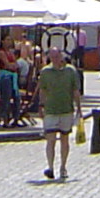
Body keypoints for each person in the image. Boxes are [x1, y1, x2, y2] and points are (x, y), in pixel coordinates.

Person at [35, 46, 81, 181]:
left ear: (61, 56)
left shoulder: (70, 71)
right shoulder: (45, 72)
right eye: (52, 57)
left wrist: (79, 107)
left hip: (66, 109)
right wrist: (41, 106)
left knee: (64, 139)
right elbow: (43, 90)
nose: (55, 59)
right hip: (50, 110)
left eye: (56, 56)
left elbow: (75, 90)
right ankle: (50, 166)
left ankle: (63, 166)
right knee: (50, 139)